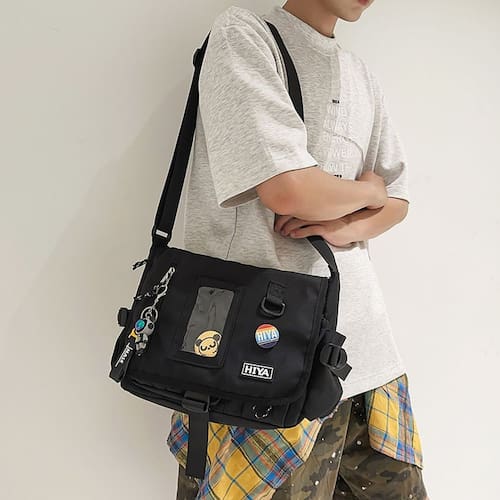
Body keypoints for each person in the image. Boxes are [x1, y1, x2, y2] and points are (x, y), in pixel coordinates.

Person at [167, 1, 429, 498]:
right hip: (262, 353)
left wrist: (346, 225)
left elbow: (399, 198)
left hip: (367, 355)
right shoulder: (245, 36)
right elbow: (287, 190)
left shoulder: (360, 75)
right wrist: (367, 193)